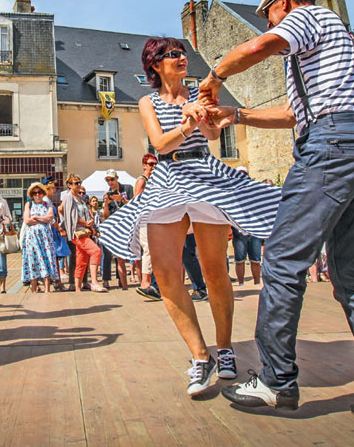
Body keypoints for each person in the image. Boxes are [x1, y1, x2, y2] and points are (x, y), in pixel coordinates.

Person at [199, 0, 354, 437]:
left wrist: (213, 79)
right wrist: (236, 115)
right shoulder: (327, 48)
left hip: (331, 148)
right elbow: (296, 114)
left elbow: (259, 47)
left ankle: (277, 381)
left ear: (282, 2)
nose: (267, 21)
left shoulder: (309, 16)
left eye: (267, 13)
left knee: (280, 261)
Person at [100, 36, 280, 398]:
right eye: (171, 55)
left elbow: (213, 133)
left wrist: (205, 117)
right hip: (167, 178)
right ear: (154, 65)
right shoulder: (147, 101)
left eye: (182, 53)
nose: (181, 58)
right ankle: (201, 356)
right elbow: (160, 144)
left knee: (214, 269)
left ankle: (225, 348)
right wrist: (187, 122)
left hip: (204, 175)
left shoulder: (201, 90)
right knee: (166, 275)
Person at [62, 176, 105, 292]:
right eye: (76, 183)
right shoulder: (68, 197)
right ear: (69, 185)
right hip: (77, 232)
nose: (78, 185)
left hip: (84, 232)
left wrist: (90, 223)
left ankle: (77, 288)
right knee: (96, 251)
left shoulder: (80, 198)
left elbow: (86, 214)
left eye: (79, 182)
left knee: (82, 259)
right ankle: (95, 282)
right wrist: (86, 222)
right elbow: (71, 216)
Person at [21, 183, 59, 293]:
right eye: (35, 193)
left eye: (39, 192)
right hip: (32, 239)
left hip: (45, 238)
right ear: (32, 195)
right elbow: (27, 220)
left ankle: (47, 289)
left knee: (47, 259)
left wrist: (36, 217)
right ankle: (33, 289)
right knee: (33, 260)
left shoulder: (48, 204)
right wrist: (42, 219)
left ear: (43, 193)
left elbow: (49, 218)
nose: (37, 195)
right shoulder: (29, 204)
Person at [134, 155, 162, 298]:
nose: (153, 167)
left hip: (153, 219)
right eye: (151, 164)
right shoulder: (142, 180)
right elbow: (137, 201)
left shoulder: (153, 181)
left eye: (156, 164)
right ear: (144, 164)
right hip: (144, 219)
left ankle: (153, 284)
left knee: (154, 251)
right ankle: (145, 282)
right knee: (148, 250)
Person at [100, 170, 132, 290]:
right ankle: (108, 280)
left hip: (128, 223)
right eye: (107, 180)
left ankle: (125, 281)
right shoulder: (108, 193)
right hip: (114, 226)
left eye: (112, 179)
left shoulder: (128, 188)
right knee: (110, 254)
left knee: (133, 256)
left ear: (117, 178)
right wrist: (107, 204)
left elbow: (134, 204)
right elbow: (106, 215)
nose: (110, 182)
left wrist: (121, 200)